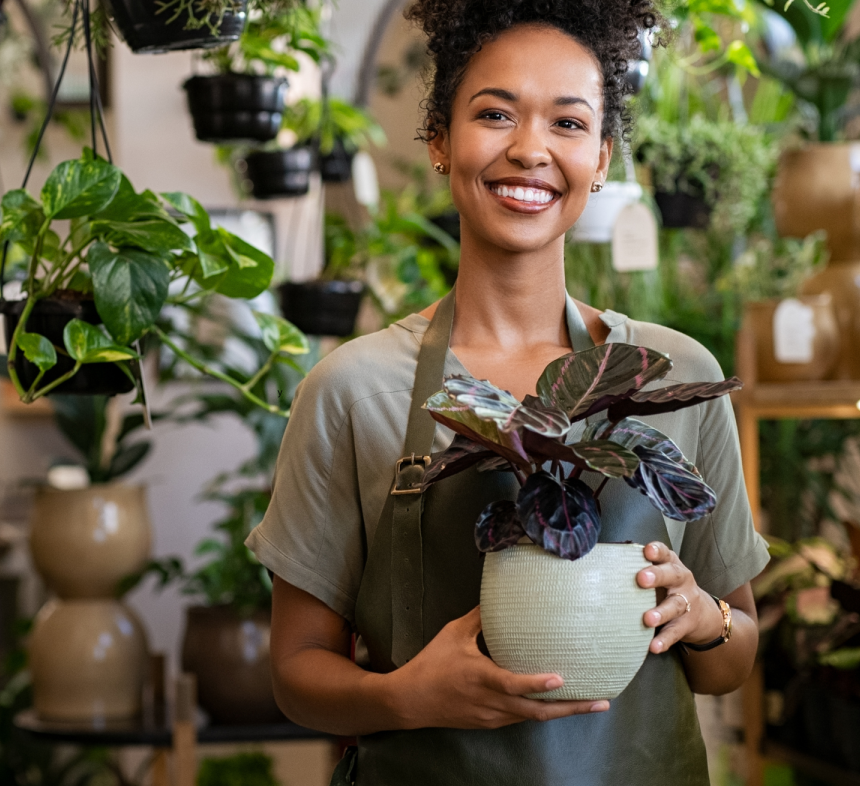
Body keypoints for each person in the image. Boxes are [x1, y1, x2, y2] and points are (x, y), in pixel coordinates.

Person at [243, 1, 769, 783]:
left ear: (601, 157)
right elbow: (296, 673)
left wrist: (702, 616)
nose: (530, 151)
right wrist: (409, 697)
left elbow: (732, 662)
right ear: (440, 142)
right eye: (495, 114)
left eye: (567, 123)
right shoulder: (353, 390)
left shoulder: (672, 374)